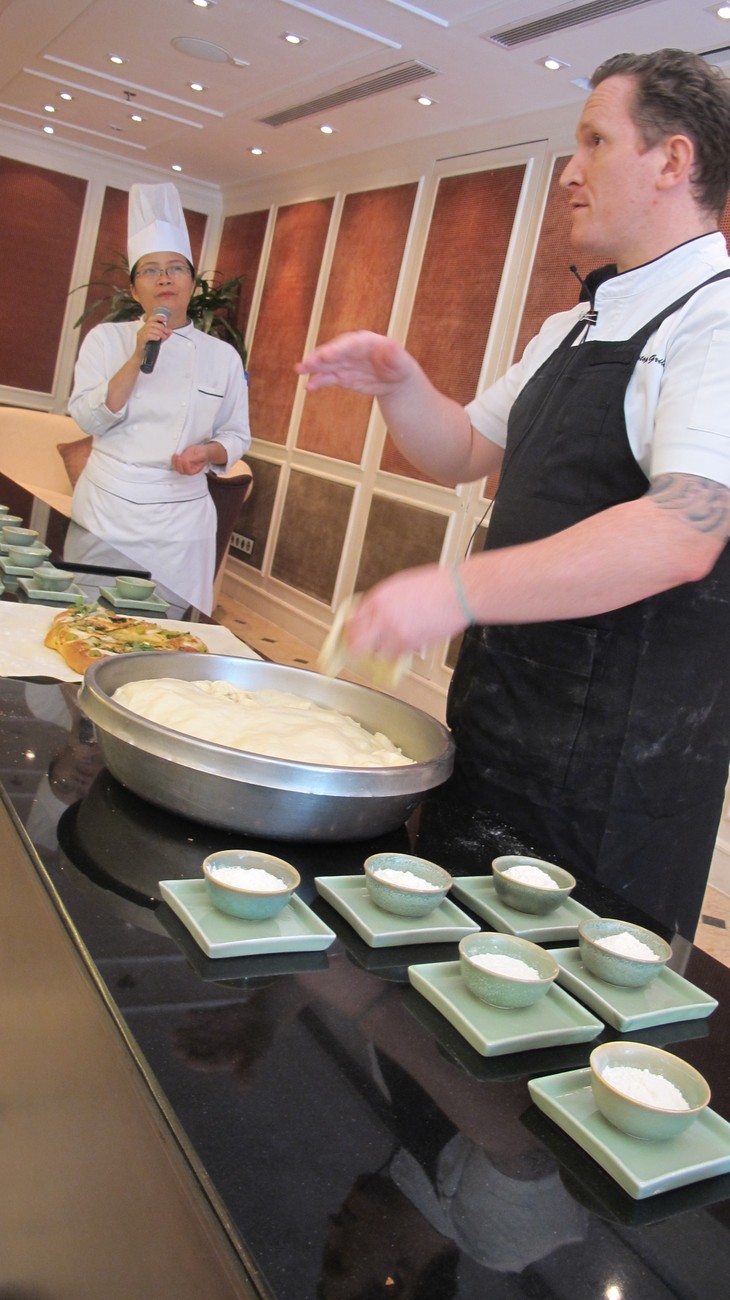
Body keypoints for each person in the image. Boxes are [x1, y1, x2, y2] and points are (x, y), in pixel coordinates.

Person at [297, 48, 730, 939]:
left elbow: (686, 528)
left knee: (551, 1038)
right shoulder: (574, 324)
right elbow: (461, 448)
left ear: (673, 161)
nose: (569, 173)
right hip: (502, 725)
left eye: (594, 142)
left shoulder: (715, 322)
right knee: (442, 995)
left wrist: (453, 591)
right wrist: (398, 383)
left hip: (620, 777)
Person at [67, 182, 250, 614]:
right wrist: (136, 356)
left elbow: (237, 434)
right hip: (106, 511)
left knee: (163, 639)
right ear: (133, 290)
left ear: (192, 283)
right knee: (86, 623)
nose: (164, 278)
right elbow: (88, 419)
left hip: (181, 523)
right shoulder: (106, 340)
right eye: (150, 270)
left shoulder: (221, 356)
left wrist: (207, 451)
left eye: (175, 268)